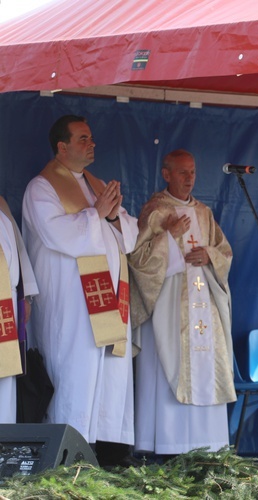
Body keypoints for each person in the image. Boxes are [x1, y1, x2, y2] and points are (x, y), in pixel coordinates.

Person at [22, 115, 139, 466]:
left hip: (105, 299)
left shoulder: (94, 183)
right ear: (62, 146)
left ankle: (110, 451)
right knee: (77, 372)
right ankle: (69, 455)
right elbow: (58, 234)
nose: (92, 144)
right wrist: (96, 214)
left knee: (109, 375)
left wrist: (114, 215)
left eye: (91, 139)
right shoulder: (41, 188)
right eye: (83, 138)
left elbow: (128, 235)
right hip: (71, 303)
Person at [129, 149, 235, 456]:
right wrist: (168, 238)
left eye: (192, 172)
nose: (189, 179)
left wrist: (210, 257)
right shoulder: (156, 211)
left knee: (206, 363)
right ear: (166, 174)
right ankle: (168, 444)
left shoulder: (203, 212)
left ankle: (209, 444)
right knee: (168, 364)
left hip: (204, 301)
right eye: (182, 173)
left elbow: (223, 252)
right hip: (169, 304)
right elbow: (139, 260)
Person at [0, 196, 38, 424]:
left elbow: (18, 250)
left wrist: (25, 295)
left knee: (6, 376)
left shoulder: (2, 204)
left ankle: (4, 446)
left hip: (7, 302)